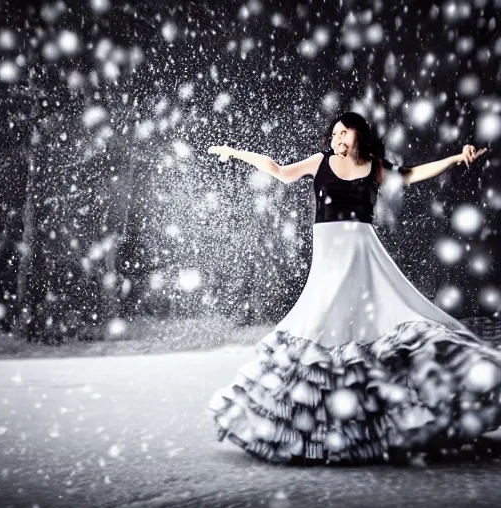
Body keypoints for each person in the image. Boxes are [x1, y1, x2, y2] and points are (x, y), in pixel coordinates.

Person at [207, 111, 499, 465]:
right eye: (333, 134)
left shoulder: (374, 167)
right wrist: (236, 153)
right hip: (330, 259)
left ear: (358, 134)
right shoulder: (321, 162)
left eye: (343, 132)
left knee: (375, 328)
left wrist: (456, 157)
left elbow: (409, 174)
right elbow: (280, 171)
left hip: (363, 253)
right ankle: (319, 427)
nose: (336, 138)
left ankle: (384, 417)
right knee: (320, 331)